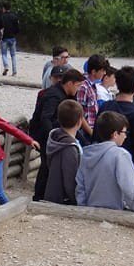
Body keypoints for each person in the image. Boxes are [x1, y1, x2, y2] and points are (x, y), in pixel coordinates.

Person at [76, 111, 134, 213]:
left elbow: (80, 187)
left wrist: (83, 208)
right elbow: (131, 189)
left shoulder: (86, 154)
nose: (125, 136)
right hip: (115, 211)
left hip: (90, 210)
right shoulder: (120, 155)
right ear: (115, 134)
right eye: (124, 132)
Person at [29, 68, 85, 201]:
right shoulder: (54, 95)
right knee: (46, 167)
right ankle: (39, 196)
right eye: (77, 86)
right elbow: (45, 118)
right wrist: (52, 137)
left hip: (59, 133)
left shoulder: (67, 95)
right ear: (70, 83)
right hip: (45, 135)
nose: (78, 89)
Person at [43, 99, 84, 205]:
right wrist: (76, 200)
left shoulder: (55, 137)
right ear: (80, 122)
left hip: (52, 191)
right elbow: (70, 177)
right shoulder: (69, 148)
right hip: (63, 199)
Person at [76, 55, 108, 141]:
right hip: (86, 133)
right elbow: (79, 114)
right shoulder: (84, 87)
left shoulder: (93, 85)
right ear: (94, 71)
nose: (104, 73)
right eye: (102, 71)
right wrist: (91, 133)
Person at [0, 1, 19, 77]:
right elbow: (17, 28)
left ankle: (6, 66)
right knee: (13, 55)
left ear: (4, 8)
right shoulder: (14, 16)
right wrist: (15, 34)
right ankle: (14, 71)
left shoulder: (2, 17)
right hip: (12, 38)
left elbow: (0, 27)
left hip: (4, 38)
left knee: (4, 54)